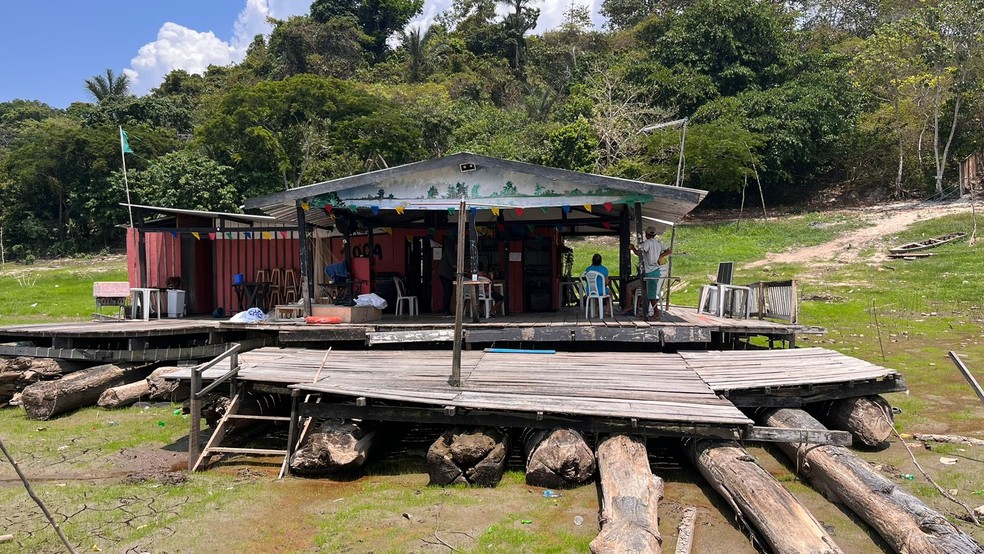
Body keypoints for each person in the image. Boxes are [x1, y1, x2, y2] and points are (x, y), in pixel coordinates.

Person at [630, 226, 672, 318]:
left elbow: (639, 254)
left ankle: (656, 313)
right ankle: (647, 311)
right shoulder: (658, 243)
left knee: (651, 294)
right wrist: (659, 257)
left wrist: (633, 248)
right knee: (648, 293)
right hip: (655, 270)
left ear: (646, 234)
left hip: (651, 271)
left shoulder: (647, 243)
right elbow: (669, 250)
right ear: (654, 235)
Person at [438, 239, 456, 316]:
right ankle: (445, 311)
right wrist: (465, 270)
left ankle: (447, 310)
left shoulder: (450, 251)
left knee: (449, 293)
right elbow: (454, 265)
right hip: (445, 275)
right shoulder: (449, 251)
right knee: (447, 293)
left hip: (447, 275)